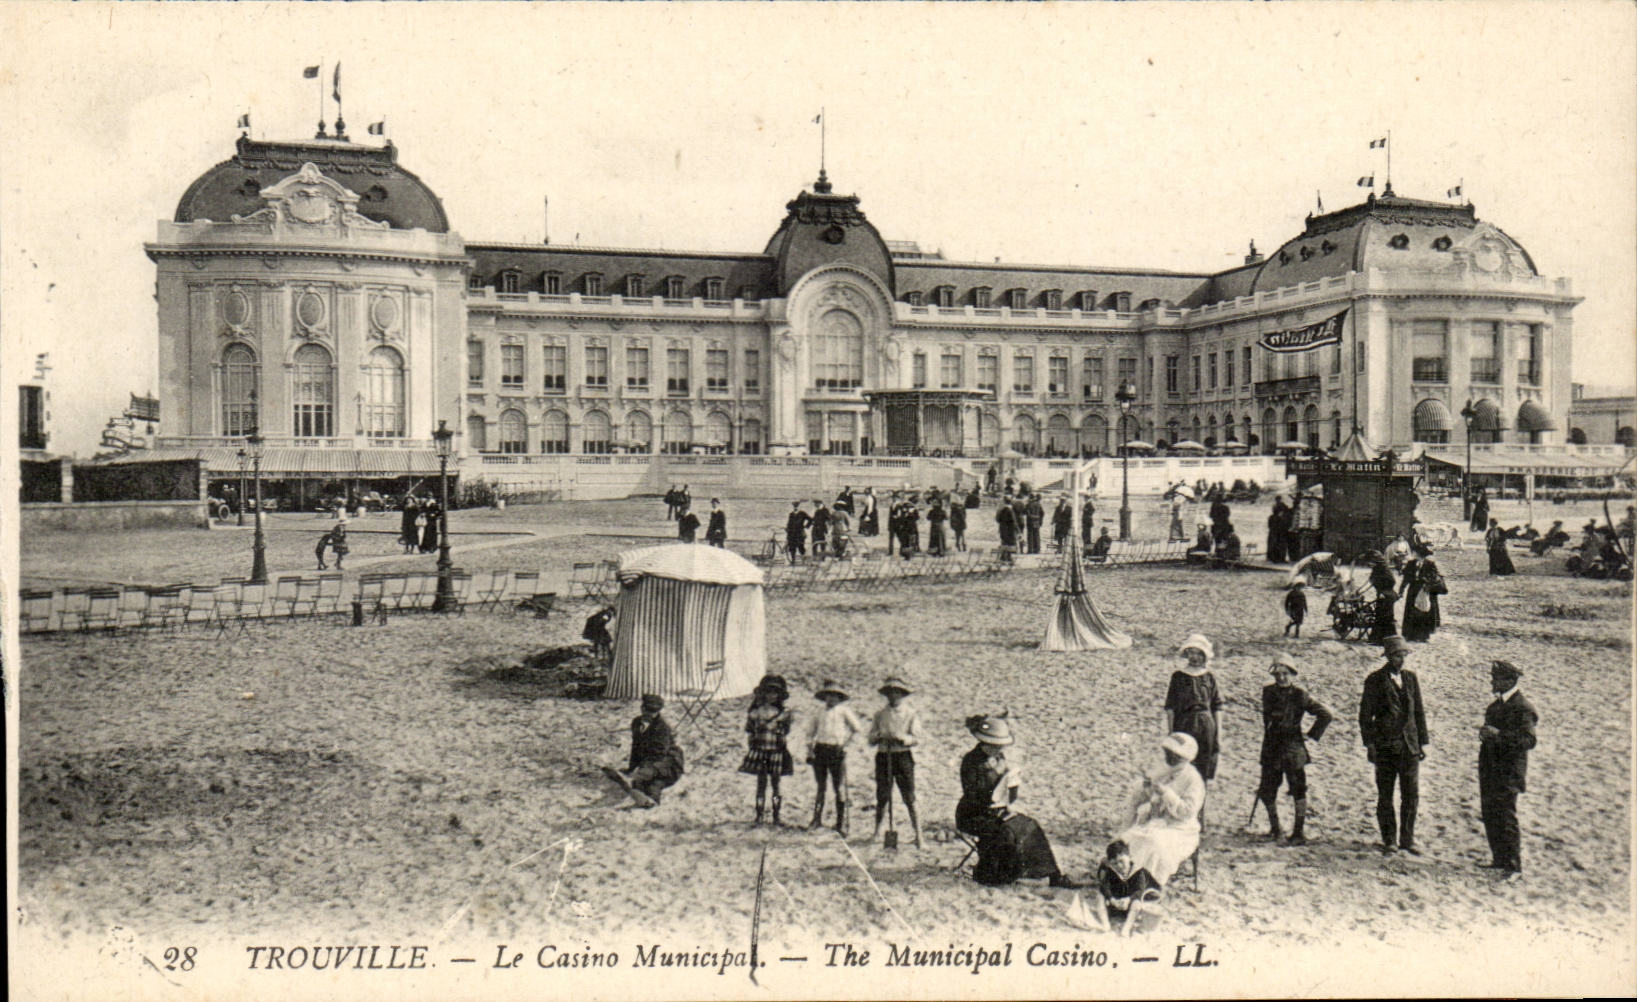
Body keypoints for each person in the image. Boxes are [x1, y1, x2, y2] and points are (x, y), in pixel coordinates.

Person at [954, 713, 1080, 888]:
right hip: (973, 814)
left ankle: (1053, 875)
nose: (999, 750)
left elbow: (1004, 787)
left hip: (997, 809)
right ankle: (1004, 873)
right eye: (995, 746)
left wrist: (1010, 788)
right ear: (985, 742)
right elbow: (972, 794)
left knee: (1030, 825)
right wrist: (994, 799)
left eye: (1000, 746)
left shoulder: (998, 758)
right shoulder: (971, 762)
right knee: (1006, 831)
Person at [1359, 636, 1429, 855]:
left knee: (1411, 794)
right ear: (1388, 656)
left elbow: (1418, 712)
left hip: (1410, 746)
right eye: (1397, 655)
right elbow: (1364, 716)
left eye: (1403, 655)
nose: (1401, 659)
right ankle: (1389, 839)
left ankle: (1407, 839)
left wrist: (1421, 743)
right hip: (1385, 747)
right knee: (1386, 795)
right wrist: (1370, 744)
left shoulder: (1410, 679)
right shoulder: (1375, 680)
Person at [1257, 653, 1332, 844]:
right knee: (1267, 789)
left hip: (1293, 748)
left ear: (1292, 674)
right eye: (1278, 674)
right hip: (1272, 747)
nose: (1281, 677)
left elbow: (1325, 714)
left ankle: (1298, 833)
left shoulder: (1300, 694)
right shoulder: (1268, 692)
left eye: (1286, 673)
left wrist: (1311, 734)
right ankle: (1276, 829)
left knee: (1298, 789)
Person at [1115, 732, 1206, 890]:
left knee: (1155, 844)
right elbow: (1138, 798)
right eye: (1168, 753)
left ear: (1185, 758)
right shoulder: (1163, 771)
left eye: (1175, 755)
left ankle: (1147, 882)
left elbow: (1187, 812)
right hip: (1157, 823)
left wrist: (1167, 794)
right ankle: (1127, 877)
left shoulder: (1194, 779)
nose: (1169, 757)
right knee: (1129, 839)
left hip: (1181, 829)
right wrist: (1145, 789)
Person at [1479, 660, 1538, 880]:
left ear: (1510, 681)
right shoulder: (1496, 706)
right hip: (1491, 770)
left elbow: (1528, 740)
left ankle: (1513, 865)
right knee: (1491, 814)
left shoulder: (1523, 707)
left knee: (1505, 816)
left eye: (1497, 679)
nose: (1492, 682)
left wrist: (1497, 735)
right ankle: (1499, 860)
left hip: (1508, 772)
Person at [803, 680, 864, 836]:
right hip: (820, 750)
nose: (831, 699)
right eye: (829, 696)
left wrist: (846, 746)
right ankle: (816, 819)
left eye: (835, 696)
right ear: (824, 697)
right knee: (821, 786)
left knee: (839, 787)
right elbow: (809, 732)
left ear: (840, 698)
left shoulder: (844, 711)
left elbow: (857, 729)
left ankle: (840, 822)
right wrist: (810, 750)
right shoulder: (818, 712)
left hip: (837, 751)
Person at [868, 676, 922, 848]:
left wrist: (902, 738)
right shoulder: (880, 715)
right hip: (884, 756)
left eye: (897, 693)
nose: (894, 696)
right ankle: (877, 832)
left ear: (902, 694)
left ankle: (919, 835)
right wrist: (879, 736)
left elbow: (916, 738)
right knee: (882, 796)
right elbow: (870, 738)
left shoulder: (910, 714)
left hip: (902, 757)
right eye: (890, 693)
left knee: (909, 796)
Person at [1165, 634, 1224, 786]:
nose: (1195, 657)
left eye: (1199, 653)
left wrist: (1218, 732)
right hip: (1184, 723)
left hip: (1206, 725)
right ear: (1187, 654)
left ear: (1204, 656)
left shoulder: (1209, 677)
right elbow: (1170, 707)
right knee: (1183, 767)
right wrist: (1171, 732)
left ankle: (1200, 808)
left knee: (1203, 769)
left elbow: (1217, 706)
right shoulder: (1178, 676)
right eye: (1192, 652)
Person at [605, 694, 684, 808]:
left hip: (667, 762)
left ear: (658, 712)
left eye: (653, 712)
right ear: (642, 708)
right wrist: (632, 767)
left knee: (647, 777)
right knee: (649, 784)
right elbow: (636, 747)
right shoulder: (637, 723)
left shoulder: (662, 728)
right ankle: (645, 797)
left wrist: (641, 768)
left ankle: (643, 791)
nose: (649, 714)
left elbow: (659, 754)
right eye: (647, 710)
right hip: (649, 763)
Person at [739, 675, 795, 826]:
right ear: (763, 694)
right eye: (768, 692)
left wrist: (777, 730)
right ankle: (759, 815)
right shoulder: (755, 712)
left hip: (776, 751)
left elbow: (786, 731)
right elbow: (749, 731)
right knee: (761, 784)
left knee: (776, 784)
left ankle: (776, 816)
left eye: (774, 693)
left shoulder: (785, 713)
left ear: (779, 696)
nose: (771, 696)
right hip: (760, 750)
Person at [1094, 839, 1156, 934]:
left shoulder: (1138, 872)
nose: (1119, 865)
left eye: (1122, 861)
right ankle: (1106, 924)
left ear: (1130, 857)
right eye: (1115, 863)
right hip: (1114, 903)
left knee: (1137, 903)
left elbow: (1139, 890)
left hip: (1129, 905)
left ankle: (1126, 928)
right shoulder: (1112, 871)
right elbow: (1105, 886)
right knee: (1100, 897)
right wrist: (1111, 899)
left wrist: (1129, 899)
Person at [1400, 543, 1446, 642]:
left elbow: (1434, 577)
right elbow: (1406, 578)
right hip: (1413, 589)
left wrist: (1426, 583)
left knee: (1425, 612)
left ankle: (1424, 636)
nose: (1413, 554)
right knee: (1412, 611)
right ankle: (1410, 635)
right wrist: (1401, 590)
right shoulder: (1411, 563)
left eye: (1414, 552)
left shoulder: (1430, 564)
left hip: (1425, 590)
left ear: (1419, 554)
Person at [1366, 551, 1399, 643]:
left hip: (1387, 596)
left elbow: (1392, 582)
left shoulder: (1383, 571)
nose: (1369, 564)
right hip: (1383, 596)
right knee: (1380, 616)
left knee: (1385, 618)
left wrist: (1383, 592)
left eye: (1370, 562)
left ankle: (1383, 640)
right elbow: (1370, 583)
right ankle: (1378, 639)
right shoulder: (1376, 570)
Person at [1267, 496, 1292, 563]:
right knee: (1280, 546)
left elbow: (1269, 526)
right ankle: (1280, 559)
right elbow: (1283, 526)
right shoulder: (1280, 518)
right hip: (1279, 534)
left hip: (1272, 533)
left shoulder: (1271, 517)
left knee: (1273, 545)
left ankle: (1273, 558)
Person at [995, 498, 1019, 562]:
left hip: (1002, 528)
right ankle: (1008, 557)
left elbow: (997, 519)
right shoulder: (1010, 511)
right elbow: (1014, 522)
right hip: (1009, 529)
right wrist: (1018, 530)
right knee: (1009, 543)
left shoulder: (1001, 510)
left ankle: (1003, 556)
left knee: (1004, 542)